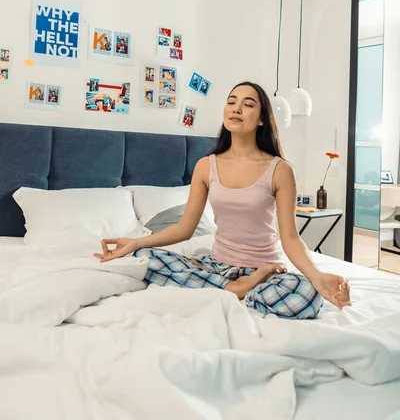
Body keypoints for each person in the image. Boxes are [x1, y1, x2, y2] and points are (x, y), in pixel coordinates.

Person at [94, 81, 351, 319]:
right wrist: (134, 243)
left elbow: (291, 238)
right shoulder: (206, 166)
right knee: (143, 257)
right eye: (231, 102)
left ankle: (226, 289)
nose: (236, 108)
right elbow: (185, 229)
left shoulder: (280, 170)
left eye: (248, 104)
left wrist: (316, 276)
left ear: (262, 119)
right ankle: (236, 289)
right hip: (216, 266)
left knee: (306, 295)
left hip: (265, 271)